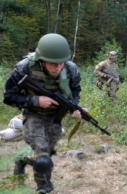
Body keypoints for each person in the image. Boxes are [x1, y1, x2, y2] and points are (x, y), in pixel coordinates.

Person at [3, 33, 85, 194]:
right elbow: (9, 97)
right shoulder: (24, 67)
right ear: (41, 59)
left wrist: (74, 108)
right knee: (42, 150)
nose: (58, 67)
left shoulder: (71, 70)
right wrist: (36, 101)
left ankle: (22, 159)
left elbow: (75, 91)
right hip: (33, 115)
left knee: (47, 154)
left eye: (61, 63)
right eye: (53, 63)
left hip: (55, 118)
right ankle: (43, 187)